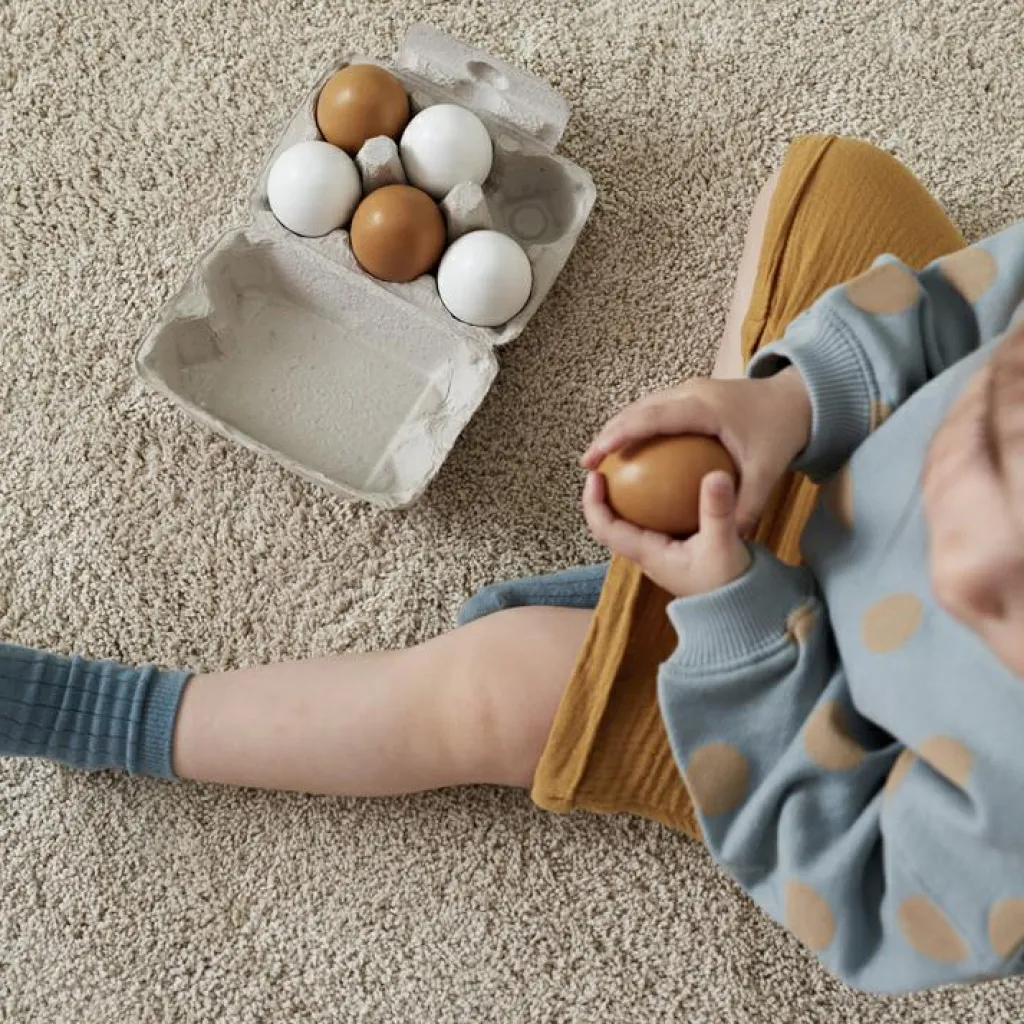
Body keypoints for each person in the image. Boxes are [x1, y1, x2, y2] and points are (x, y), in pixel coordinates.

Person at [2, 134, 1023, 994]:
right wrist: (788, 399)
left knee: (496, 692)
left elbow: (858, 885)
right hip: (838, 462)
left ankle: (118, 717)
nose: (963, 547)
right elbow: (963, 311)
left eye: (1006, 604)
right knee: (837, 180)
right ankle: (645, 605)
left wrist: (737, 623)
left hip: (815, 726)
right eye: (992, 447)